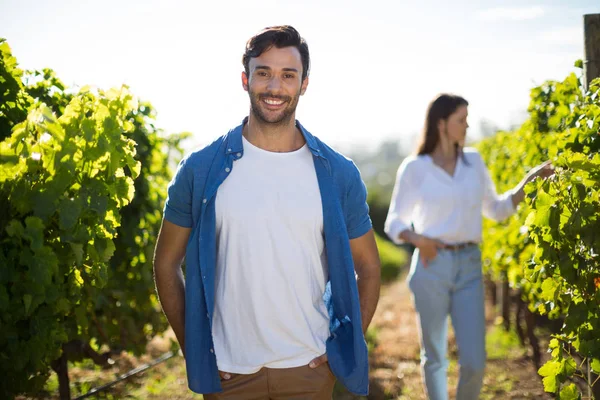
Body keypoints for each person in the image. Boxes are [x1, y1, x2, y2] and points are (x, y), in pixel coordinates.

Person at [153, 25, 381, 399]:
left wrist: (339, 349)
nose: (275, 87)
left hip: (308, 372)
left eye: (288, 75)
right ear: (245, 79)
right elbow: (166, 265)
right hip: (229, 376)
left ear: (304, 83)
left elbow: (369, 268)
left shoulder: (338, 174)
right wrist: (195, 349)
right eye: (264, 73)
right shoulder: (199, 169)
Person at [384, 93, 553, 400]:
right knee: (434, 357)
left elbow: (497, 209)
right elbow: (393, 221)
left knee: (475, 360)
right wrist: (419, 239)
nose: (467, 125)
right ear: (442, 123)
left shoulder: (473, 161)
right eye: (461, 120)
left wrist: (528, 182)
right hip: (430, 265)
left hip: (469, 266)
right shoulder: (415, 168)